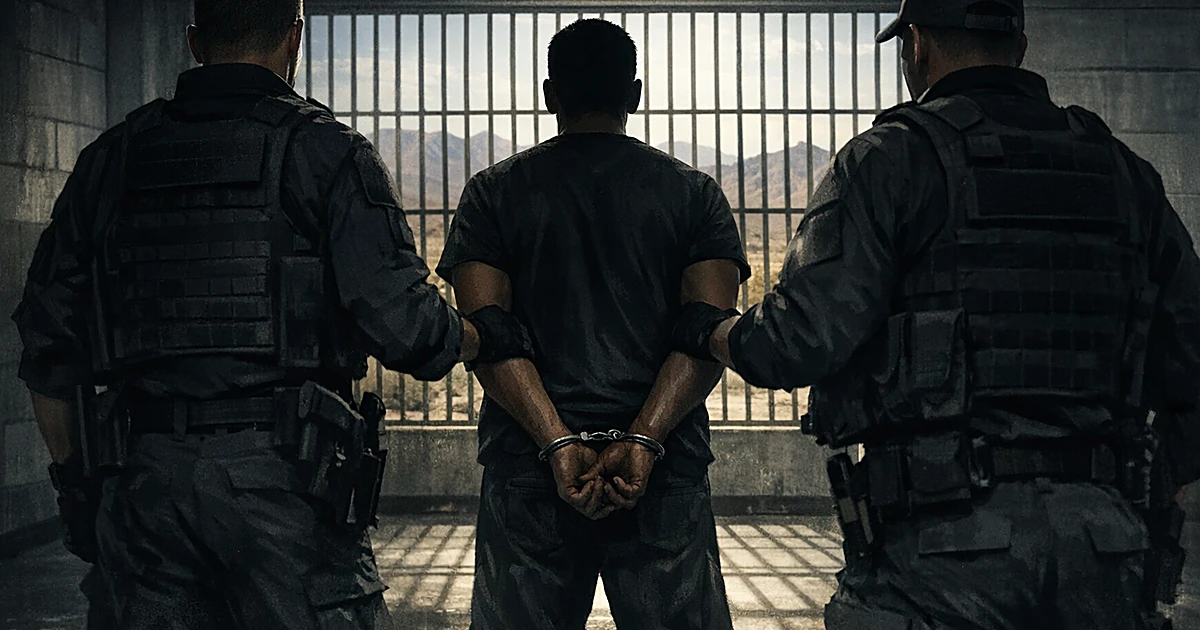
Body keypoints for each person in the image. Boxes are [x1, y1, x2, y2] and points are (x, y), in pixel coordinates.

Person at [672, 0, 1200, 628]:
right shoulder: (1125, 174)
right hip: (1108, 542)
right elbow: (1190, 356)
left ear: (915, 46)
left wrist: (712, 331)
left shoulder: (890, 160)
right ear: (1022, 47)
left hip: (942, 544)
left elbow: (797, 341)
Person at [12, 1, 534, 628]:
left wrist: (78, 485)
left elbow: (46, 349)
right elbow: (405, 328)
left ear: (194, 43)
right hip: (289, 483)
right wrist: (481, 335)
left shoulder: (110, 157)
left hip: (142, 484)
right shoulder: (325, 152)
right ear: (296, 38)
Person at [436, 18, 749, 630]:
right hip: (661, 471)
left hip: (529, 469)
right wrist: (643, 440)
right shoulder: (694, 194)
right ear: (634, 94)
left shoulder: (493, 194)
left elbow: (488, 335)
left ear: (550, 95)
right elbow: (706, 333)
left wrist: (557, 442)